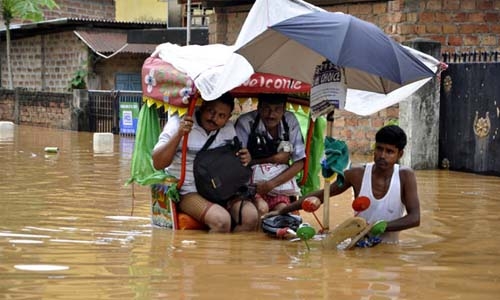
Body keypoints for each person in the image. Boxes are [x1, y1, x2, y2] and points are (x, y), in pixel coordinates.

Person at [263, 125, 420, 243]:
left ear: (400, 154)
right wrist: (283, 211)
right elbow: (323, 194)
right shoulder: (357, 174)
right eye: (379, 149)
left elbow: (415, 218)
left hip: (389, 249)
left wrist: (381, 226)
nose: (382, 156)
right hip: (357, 244)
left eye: (389, 151)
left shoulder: (405, 176)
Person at [152, 92, 259, 233]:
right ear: (202, 107)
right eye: (211, 112)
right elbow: (158, 163)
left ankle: (232, 254)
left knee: (250, 217)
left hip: (222, 189)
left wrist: (246, 157)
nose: (214, 119)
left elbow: (236, 160)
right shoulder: (179, 121)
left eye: (221, 116)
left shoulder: (229, 129)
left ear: (228, 118)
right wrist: (179, 134)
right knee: (221, 221)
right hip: (189, 191)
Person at [235, 93, 306, 216]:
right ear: (259, 107)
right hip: (251, 186)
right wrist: (273, 159)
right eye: (266, 108)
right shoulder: (245, 122)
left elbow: (300, 162)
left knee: (283, 211)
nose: (271, 115)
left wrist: (271, 185)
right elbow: (237, 162)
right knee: (261, 209)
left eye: (277, 109)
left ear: (284, 109)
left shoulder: (290, 121)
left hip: (279, 185)